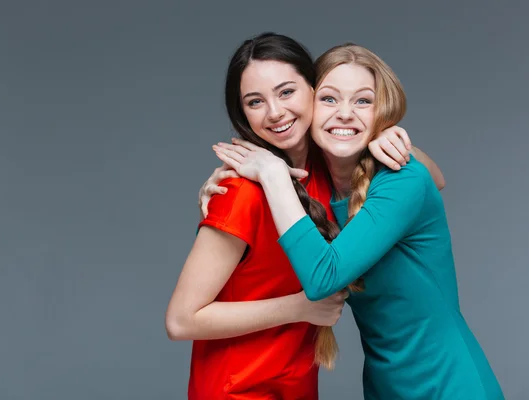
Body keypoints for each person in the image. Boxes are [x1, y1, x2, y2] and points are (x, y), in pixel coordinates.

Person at [212, 42, 504, 399]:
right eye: (330, 99)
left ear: (382, 110)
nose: (345, 113)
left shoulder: (400, 179)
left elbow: (323, 279)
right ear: (309, 106)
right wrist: (224, 181)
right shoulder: (315, 187)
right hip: (386, 387)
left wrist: (273, 174)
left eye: (363, 101)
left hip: (449, 385)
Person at [166, 33, 443, 399]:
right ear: (243, 114)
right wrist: (299, 308)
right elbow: (181, 320)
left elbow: (434, 181)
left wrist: (384, 136)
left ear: (316, 90)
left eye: (286, 92)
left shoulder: (328, 170)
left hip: (296, 384)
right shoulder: (241, 192)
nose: (275, 113)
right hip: (238, 389)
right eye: (255, 102)